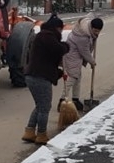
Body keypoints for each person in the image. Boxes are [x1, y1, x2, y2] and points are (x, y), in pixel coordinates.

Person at [22, 14, 69, 145]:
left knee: (40, 105)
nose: (61, 32)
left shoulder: (43, 35)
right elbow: (58, 49)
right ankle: (41, 134)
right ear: (57, 28)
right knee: (45, 107)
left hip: (33, 75)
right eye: (61, 29)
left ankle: (30, 131)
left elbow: (48, 59)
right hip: (39, 77)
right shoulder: (47, 36)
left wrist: (58, 72)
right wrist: (66, 46)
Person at [60, 15, 104, 112]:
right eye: (95, 31)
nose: (97, 33)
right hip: (72, 54)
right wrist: (92, 62)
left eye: (98, 31)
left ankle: (75, 99)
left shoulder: (88, 26)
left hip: (76, 54)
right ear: (91, 28)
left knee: (78, 77)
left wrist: (95, 37)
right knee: (72, 77)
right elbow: (85, 52)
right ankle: (62, 100)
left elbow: (91, 16)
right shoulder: (83, 36)